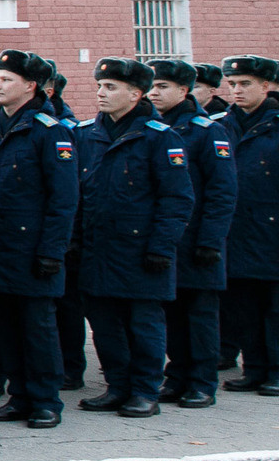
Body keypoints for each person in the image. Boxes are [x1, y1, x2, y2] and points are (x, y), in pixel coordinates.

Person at [73, 59, 194, 416]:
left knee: (143, 324)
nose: (101, 93)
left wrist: (161, 246)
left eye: (110, 88)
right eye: (99, 86)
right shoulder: (86, 135)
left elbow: (177, 198)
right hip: (97, 247)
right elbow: (76, 194)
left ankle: (144, 391)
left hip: (141, 249)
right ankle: (117, 385)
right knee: (104, 324)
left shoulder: (160, 137)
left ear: (136, 94)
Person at [0, 50, 76, 428]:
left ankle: (45, 400)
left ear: (30, 86)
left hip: (34, 248)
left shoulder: (50, 131)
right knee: (4, 326)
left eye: (5, 79)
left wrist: (53, 250)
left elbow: (64, 198)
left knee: (37, 328)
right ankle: (19, 396)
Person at [149, 59, 238, 408]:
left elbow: (222, 191)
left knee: (199, 314)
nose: (154, 93)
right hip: (169, 236)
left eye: (162, 87)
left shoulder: (206, 130)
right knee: (172, 311)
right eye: (152, 87)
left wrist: (210, 240)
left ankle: (201, 381)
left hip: (199, 239)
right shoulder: (154, 128)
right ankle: (177, 375)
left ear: (183, 91)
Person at [220, 56, 279, 393]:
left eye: (245, 84)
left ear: (265, 86)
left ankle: (277, 370)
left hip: (272, 230)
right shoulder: (223, 125)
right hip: (238, 230)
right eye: (232, 84)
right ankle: (254, 368)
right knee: (244, 306)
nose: (237, 90)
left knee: (274, 308)